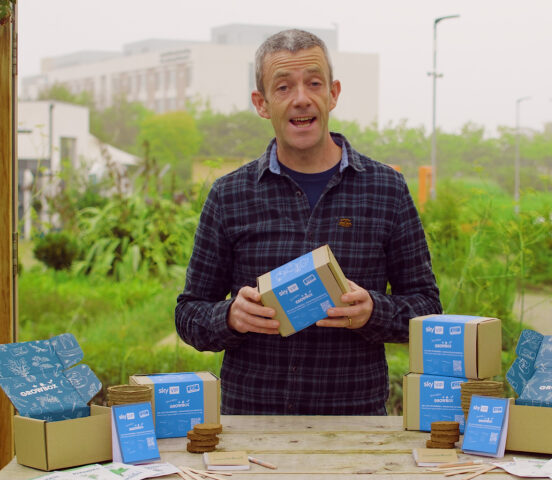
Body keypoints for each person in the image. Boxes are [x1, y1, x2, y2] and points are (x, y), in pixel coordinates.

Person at [175, 29, 441, 415]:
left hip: (355, 425)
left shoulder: (386, 189)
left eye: (313, 83)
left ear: (332, 93)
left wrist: (373, 312)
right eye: (283, 87)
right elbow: (189, 313)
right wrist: (230, 316)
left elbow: (428, 308)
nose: (301, 98)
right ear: (262, 103)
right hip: (250, 425)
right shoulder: (229, 195)